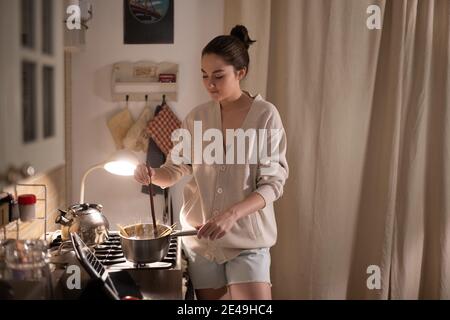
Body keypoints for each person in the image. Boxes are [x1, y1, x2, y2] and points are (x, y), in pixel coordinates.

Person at [134, 25, 288, 300]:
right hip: (201, 239)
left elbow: (273, 184)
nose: (210, 84)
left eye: (218, 76)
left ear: (240, 73)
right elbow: (173, 170)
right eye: (204, 76)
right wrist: (151, 173)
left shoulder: (266, 115)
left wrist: (231, 215)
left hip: (247, 241)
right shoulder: (196, 118)